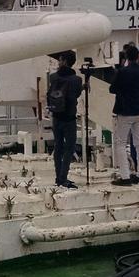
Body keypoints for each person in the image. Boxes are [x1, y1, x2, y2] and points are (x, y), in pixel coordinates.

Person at [109, 44, 139, 186]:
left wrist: (120, 69)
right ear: (137, 56)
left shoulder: (122, 71)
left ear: (126, 56)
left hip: (125, 111)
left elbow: (112, 89)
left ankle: (125, 177)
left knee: (120, 143)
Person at [46, 50, 85, 188]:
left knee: (58, 146)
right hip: (69, 118)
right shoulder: (77, 80)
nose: (59, 62)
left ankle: (58, 177)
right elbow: (76, 94)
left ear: (64, 61)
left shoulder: (53, 77)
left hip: (56, 117)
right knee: (69, 148)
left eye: (60, 60)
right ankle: (63, 177)